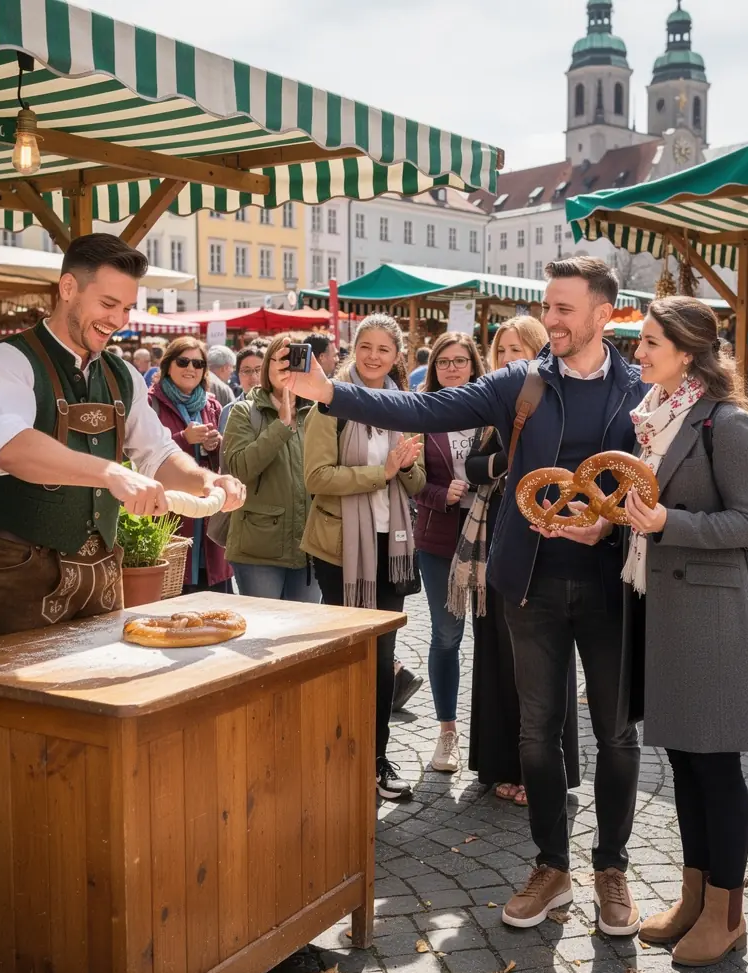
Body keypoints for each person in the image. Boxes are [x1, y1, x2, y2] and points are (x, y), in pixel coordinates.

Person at [275, 257, 648, 933]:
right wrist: (330, 392)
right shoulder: (521, 383)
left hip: (609, 584)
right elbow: (420, 406)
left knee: (617, 735)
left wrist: (612, 525)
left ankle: (612, 868)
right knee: (537, 733)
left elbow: (656, 481)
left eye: (565, 309)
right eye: (548, 305)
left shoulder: (642, 386)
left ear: (603, 314)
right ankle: (550, 867)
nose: (552, 320)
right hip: (528, 582)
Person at [0, 233, 244, 639]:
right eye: (108, 304)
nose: (118, 320)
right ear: (68, 288)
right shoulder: (4, 361)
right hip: (19, 574)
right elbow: (10, 448)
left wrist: (205, 480)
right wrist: (112, 473)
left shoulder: (122, 375)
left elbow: (158, 453)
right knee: (23, 700)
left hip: (103, 573)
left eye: (127, 308)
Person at [614, 297, 748, 966]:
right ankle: (694, 896)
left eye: (650, 342)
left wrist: (664, 525)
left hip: (711, 618)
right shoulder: (657, 421)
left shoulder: (727, 424)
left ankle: (726, 912)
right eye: (641, 341)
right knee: (681, 757)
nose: (639, 353)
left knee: (715, 765)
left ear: (687, 352)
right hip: (665, 609)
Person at [297, 313, 426, 801]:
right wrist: (382, 472)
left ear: (397, 357)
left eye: (384, 350)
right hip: (339, 550)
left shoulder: (403, 407)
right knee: (345, 657)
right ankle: (335, 754)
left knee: (382, 659)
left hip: (390, 547)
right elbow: (316, 478)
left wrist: (406, 467)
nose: (374, 357)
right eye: (366, 347)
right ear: (354, 350)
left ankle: (375, 760)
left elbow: (414, 483)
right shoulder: (329, 405)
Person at [454, 317, 579, 807]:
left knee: (541, 666)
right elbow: (473, 466)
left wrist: (507, 462)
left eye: (516, 349)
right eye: (500, 349)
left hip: (544, 547)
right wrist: (508, 460)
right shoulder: (497, 405)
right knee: (497, 658)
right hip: (495, 548)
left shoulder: (552, 400)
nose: (507, 358)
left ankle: (541, 771)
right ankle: (498, 763)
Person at [412, 331, 486, 773]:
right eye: (445, 362)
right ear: (434, 368)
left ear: (475, 366)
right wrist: (443, 493)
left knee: (494, 641)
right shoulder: (423, 413)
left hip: (490, 538)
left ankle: (494, 734)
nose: (453, 368)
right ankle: (447, 732)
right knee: (445, 635)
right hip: (440, 539)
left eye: (461, 361)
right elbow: (409, 477)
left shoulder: (492, 412)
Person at [221, 335, 320, 602]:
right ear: (268, 365)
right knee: (262, 631)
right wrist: (281, 425)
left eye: (295, 359)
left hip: (309, 546)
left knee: (303, 634)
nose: (287, 365)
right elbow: (239, 468)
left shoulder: (319, 412)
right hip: (259, 549)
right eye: (281, 358)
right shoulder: (244, 411)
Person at [148, 337, 234, 593]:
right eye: (183, 361)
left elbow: (224, 463)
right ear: (167, 365)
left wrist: (215, 445)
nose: (191, 369)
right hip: (170, 514)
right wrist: (183, 438)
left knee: (213, 608)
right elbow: (145, 454)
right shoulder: (151, 403)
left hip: (208, 519)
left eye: (198, 363)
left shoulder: (212, 405)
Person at [218, 346, 264, 432]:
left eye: (258, 370)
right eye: (246, 371)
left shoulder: (277, 406)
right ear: (238, 375)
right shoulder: (228, 411)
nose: (253, 376)